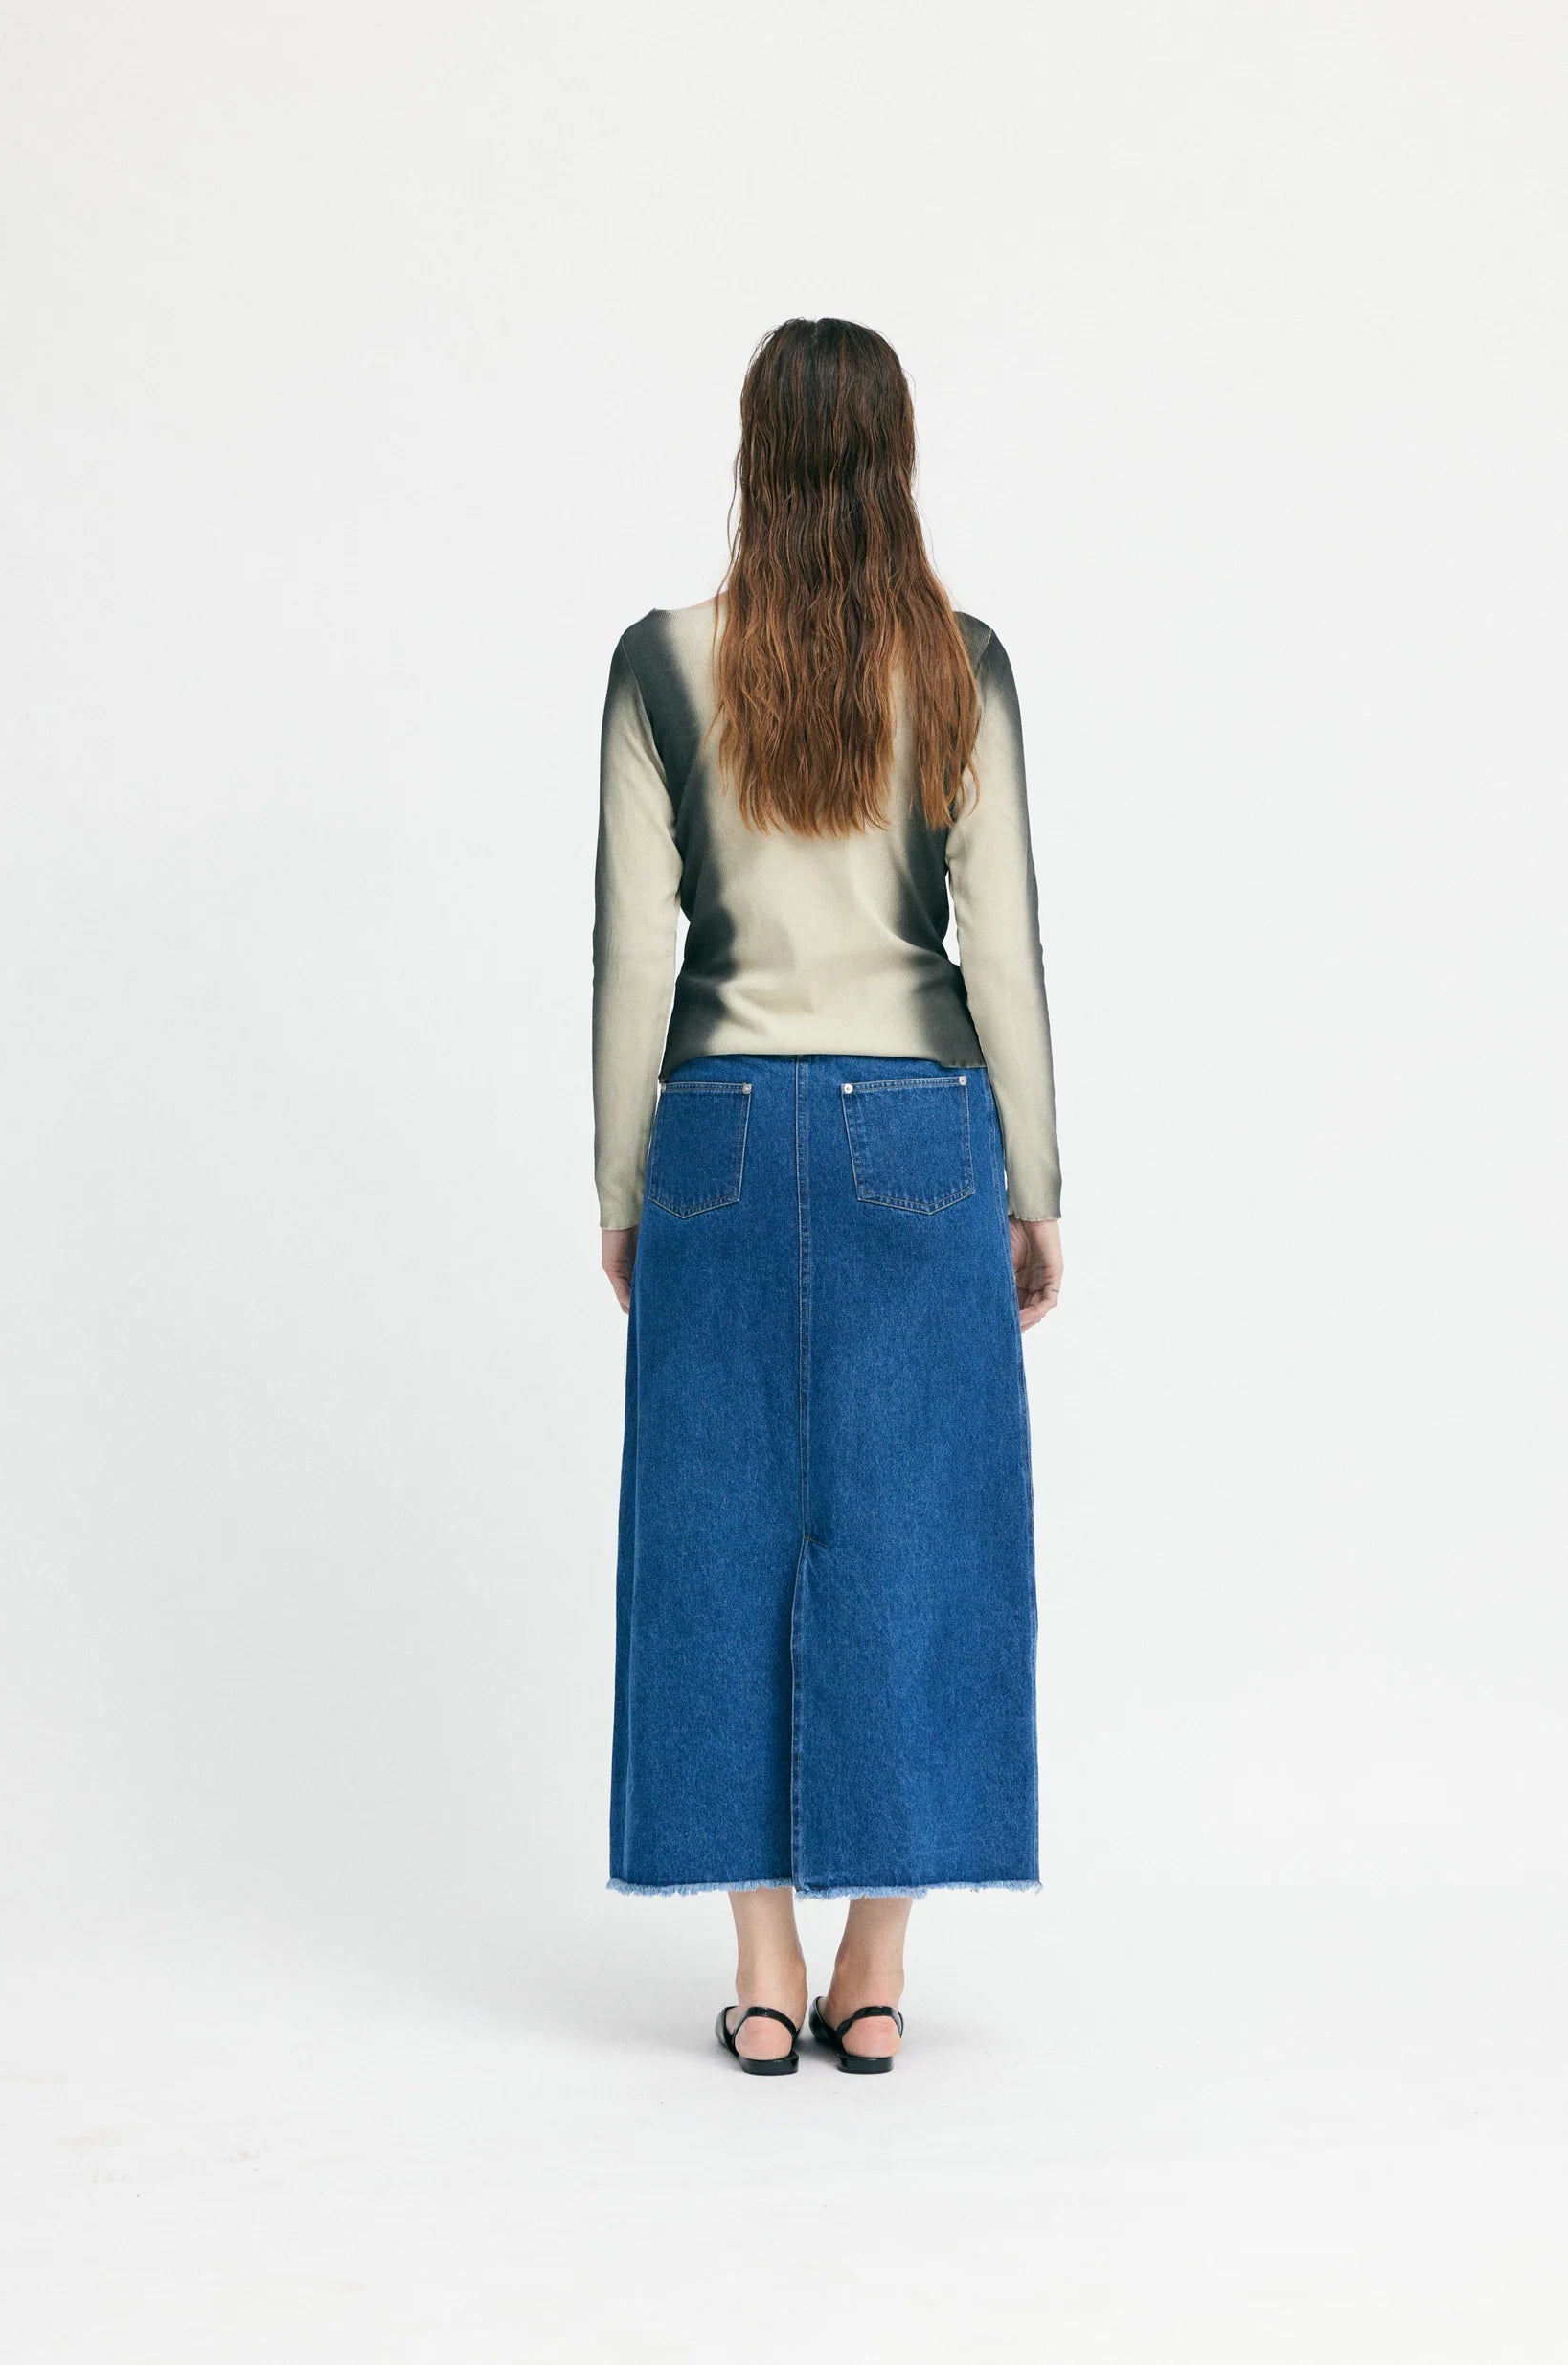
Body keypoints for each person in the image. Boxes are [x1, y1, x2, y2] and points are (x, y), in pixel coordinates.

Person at [592, 317, 1063, 2077]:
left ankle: (761, 1969)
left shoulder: (661, 661)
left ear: (754, 455)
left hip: (717, 1126)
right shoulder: (959, 663)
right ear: (894, 457)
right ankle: (874, 1967)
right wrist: (1032, 1180)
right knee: (922, 1524)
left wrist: (623, 1183)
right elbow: (999, 945)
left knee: (713, 1529)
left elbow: (630, 951)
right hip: (920, 1129)